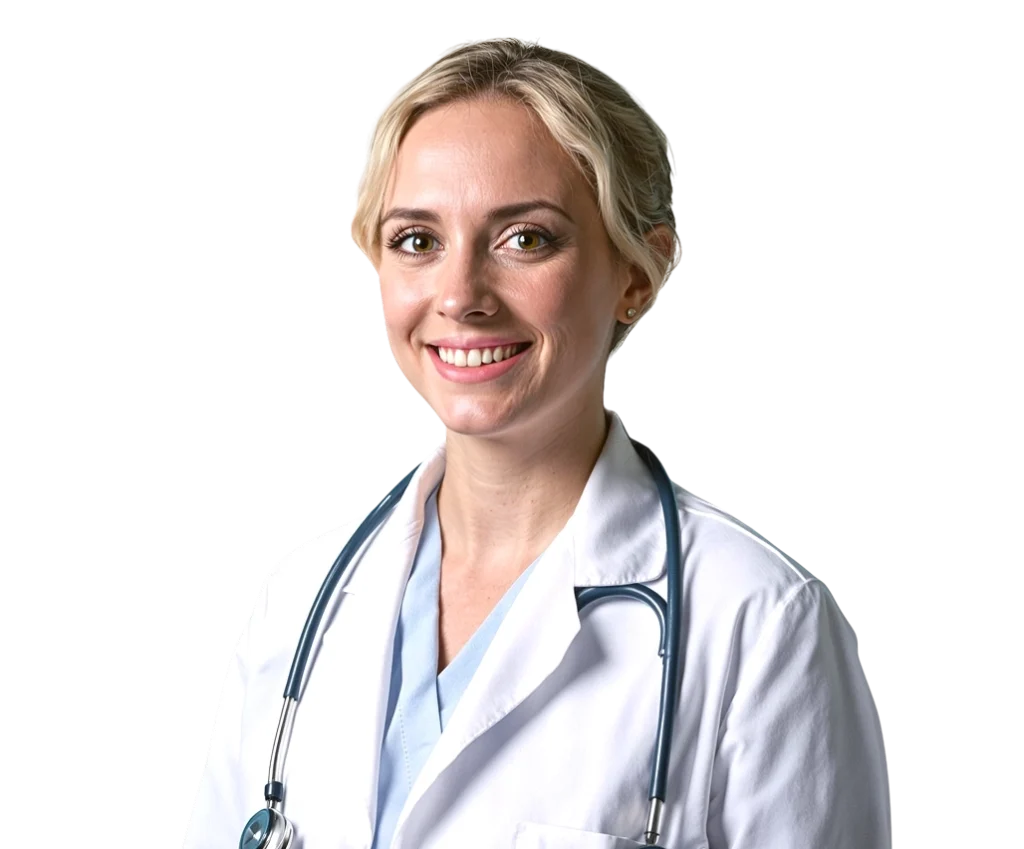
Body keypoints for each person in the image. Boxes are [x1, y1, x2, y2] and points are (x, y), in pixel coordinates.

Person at [183, 37, 891, 849]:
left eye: (525, 238)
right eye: (417, 240)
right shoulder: (300, 597)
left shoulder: (758, 621)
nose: (460, 296)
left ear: (637, 274)